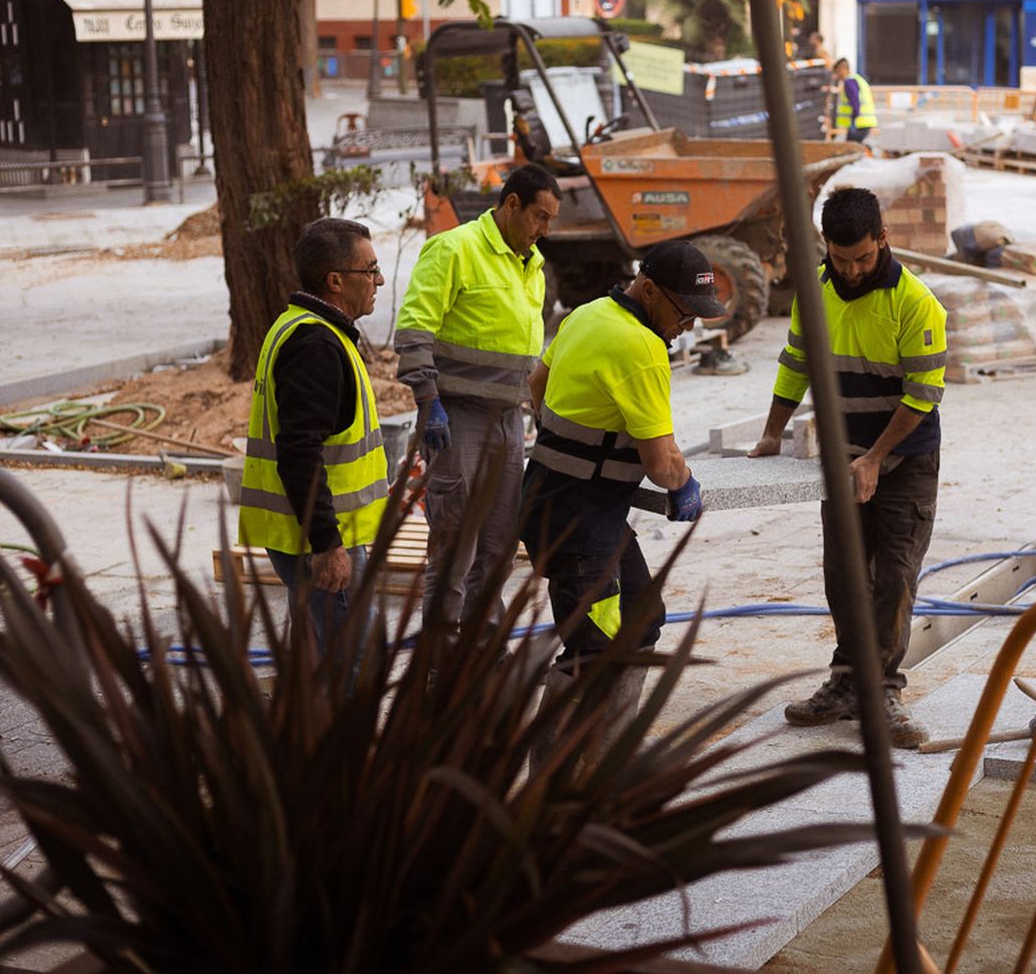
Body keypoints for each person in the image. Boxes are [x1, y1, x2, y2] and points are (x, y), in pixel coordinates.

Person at [749, 188, 947, 748]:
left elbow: (922, 397)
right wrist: (771, 432)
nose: (852, 269)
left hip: (904, 458)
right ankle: (844, 682)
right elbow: (796, 361)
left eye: (861, 257)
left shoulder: (916, 303)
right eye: (840, 259)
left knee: (894, 573)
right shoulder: (813, 291)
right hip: (843, 457)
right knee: (844, 573)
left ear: (882, 239)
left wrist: (875, 459)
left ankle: (882, 689)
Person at [520, 241, 724, 761]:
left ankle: (603, 762)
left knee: (639, 616)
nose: (690, 327)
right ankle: (558, 778)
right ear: (649, 290)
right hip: (580, 520)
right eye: (685, 314)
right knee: (599, 647)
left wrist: (580, 442)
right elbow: (661, 463)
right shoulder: (641, 346)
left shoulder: (587, 315)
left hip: (558, 498)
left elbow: (536, 385)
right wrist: (685, 486)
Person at [395, 164, 561, 634]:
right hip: (456, 419)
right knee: (455, 548)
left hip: (507, 421)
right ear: (511, 205)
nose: (544, 231)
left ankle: (481, 647)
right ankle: (442, 656)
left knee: (498, 546)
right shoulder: (454, 248)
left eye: (550, 221)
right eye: (539, 217)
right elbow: (412, 331)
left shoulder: (533, 266)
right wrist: (428, 400)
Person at [238, 217, 390, 653]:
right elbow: (300, 451)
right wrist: (326, 543)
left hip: (304, 537)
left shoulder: (301, 327)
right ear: (336, 281)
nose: (378, 279)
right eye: (370, 270)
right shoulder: (316, 345)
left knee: (316, 662)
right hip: (320, 542)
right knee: (352, 667)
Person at [833, 57, 877, 145]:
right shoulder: (858, 79)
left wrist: (853, 119)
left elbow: (855, 102)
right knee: (854, 147)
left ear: (843, 69)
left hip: (858, 124)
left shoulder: (850, 82)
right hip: (863, 122)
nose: (837, 75)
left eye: (837, 72)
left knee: (850, 148)